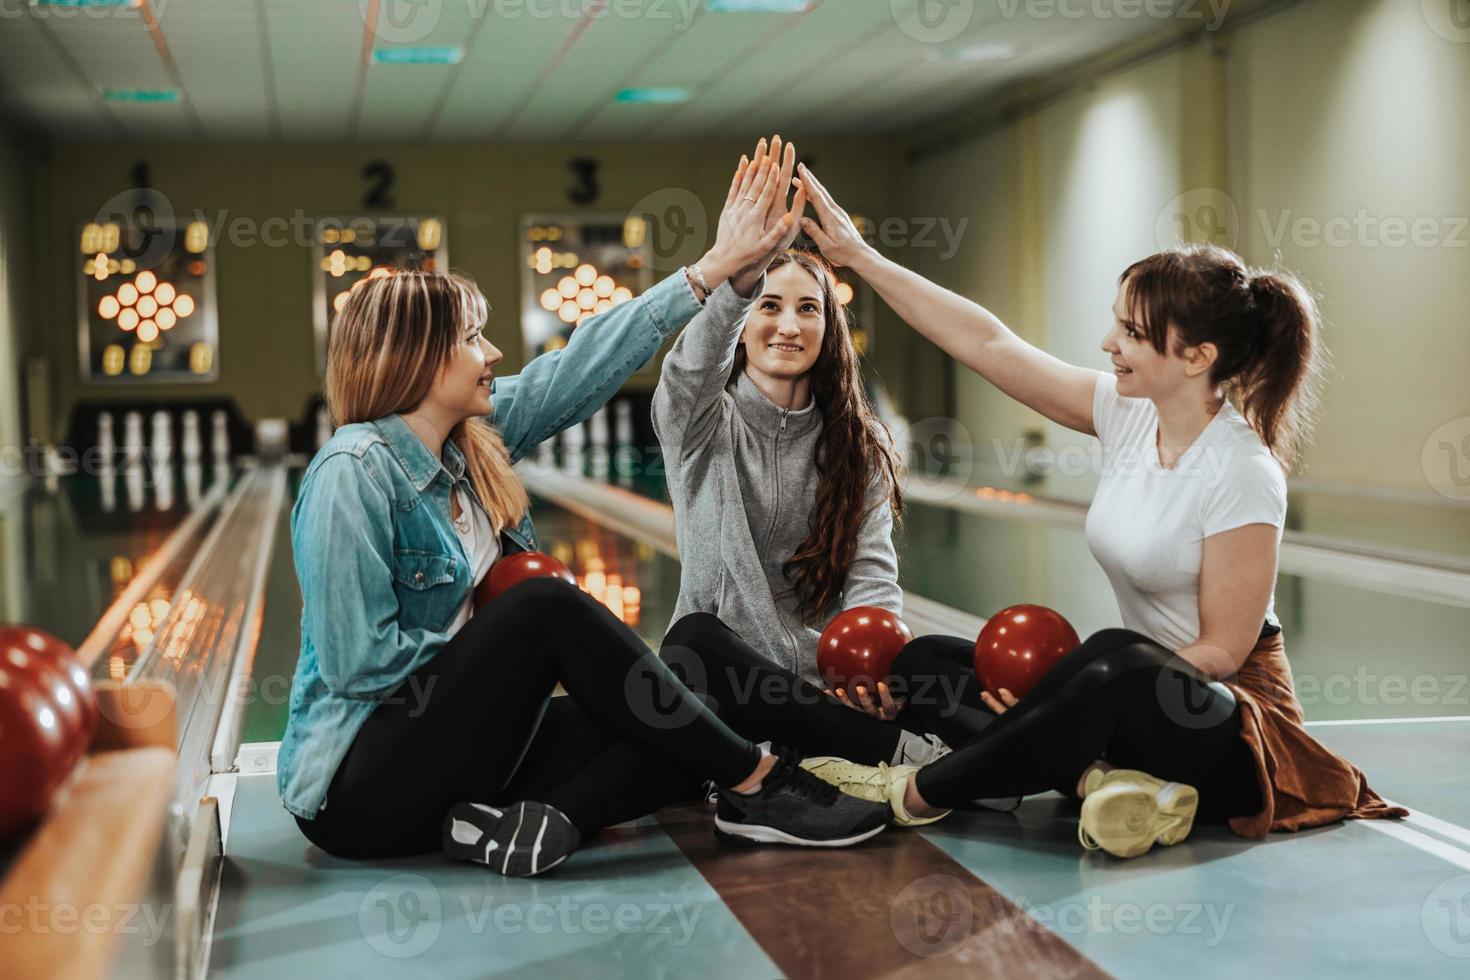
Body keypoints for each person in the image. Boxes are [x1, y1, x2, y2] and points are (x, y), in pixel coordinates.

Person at [275, 152, 890, 878]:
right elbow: (359, 666)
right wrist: (503, 655)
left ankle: (533, 825)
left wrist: (710, 272)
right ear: (418, 358)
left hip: (455, 769)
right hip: (359, 794)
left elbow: (576, 368)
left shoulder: (474, 442)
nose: (493, 352)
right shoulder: (354, 472)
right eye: (473, 337)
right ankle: (762, 783)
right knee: (542, 606)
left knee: (683, 709)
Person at [791, 163, 1407, 857]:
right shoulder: (1126, 413)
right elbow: (989, 344)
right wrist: (859, 258)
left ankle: (914, 793)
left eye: (1133, 333)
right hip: (1134, 707)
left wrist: (1064, 697)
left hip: (1234, 732)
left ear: (1197, 355)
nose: (1108, 344)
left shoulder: (1242, 470)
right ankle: (1105, 783)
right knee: (926, 660)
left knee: (1115, 657)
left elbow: (1222, 651)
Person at [651, 139, 987, 823]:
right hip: (734, 687)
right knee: (691, 642)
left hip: (829, 685)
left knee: (936, 656)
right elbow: (688, 372)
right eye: (769, 307)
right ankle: (905, 758)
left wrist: (871, 665)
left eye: (809, 309)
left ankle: (1059, 765)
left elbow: (870, 575)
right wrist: (735, 280)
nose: (788, 325)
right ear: (742, 326)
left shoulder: (857, 447)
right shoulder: (699, 427)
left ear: (831, 329)